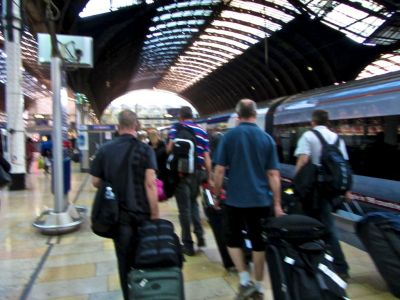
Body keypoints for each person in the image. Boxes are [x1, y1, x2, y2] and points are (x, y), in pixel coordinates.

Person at [213, 99, 284, 300]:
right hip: (261, 201)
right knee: (258, 242)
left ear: (238, 116)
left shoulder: (229, 137)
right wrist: (277, 204)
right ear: (255, 114)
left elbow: (219, 171)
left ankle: (244, 279)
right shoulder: (267, 139)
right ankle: (260, 285)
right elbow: (273, 175)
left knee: (232, 238)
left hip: (235, 200)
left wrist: (217, 195)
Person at [90, 109, 159, 300]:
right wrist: (155, 215)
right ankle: (145, 291)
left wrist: (110, 182)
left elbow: (95, 181)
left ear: (118, 127)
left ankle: (129, 295)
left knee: (123, 260)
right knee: (144, 255)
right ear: (136, 126)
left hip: (117, 216)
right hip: (142, 214)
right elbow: (150, 184)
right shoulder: (146, 149)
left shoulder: (105, 149)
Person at [294, 109, 351, 280]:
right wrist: (346, 190)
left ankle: (338, 266)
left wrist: (297, 183)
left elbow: (303, 160)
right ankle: (328, 261)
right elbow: (344, 165)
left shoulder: (309, 136)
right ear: (327, 121)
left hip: (314, 190)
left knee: (319, 225)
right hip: (332, 190)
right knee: (325, 224)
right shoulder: (337, 138)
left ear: (313, 121)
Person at [166, 106, 213, 256]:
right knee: (193, 203)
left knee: (183, 210)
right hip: (197, 172)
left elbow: (169, 149)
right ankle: (200, 235)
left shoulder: (176, 128)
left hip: (181, 173)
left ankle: (188, 245)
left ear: (180, 117)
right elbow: (207, 157)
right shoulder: (201, 131)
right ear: (192, 116)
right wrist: (209, 176)